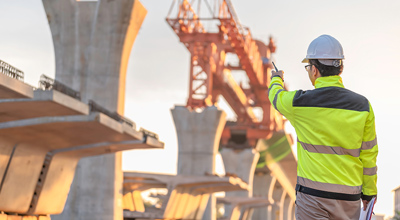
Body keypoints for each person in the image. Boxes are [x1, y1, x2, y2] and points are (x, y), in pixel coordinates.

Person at [268, 34, 378, 219]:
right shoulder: (363, 106)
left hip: (312, 197)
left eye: (308, 67)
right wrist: (369, 192)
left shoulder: (299, 103)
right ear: (340, 68)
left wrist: (276, 79)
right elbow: (369, 155)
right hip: (348, 198)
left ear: (314, 70)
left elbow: (275, 96)